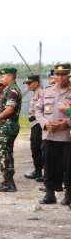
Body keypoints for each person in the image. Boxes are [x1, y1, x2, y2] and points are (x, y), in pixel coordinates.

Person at [37, 63, 71, 205]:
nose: (60, 77)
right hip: (49, 135)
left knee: (68, 167)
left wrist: (66, 123)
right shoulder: (47, 91)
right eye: (58, 74)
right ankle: (50, 194)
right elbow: (38, 110)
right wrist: (45, 123)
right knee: (49, 165)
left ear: (68, 75)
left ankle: (68, 194)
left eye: (63, 74)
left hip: (66, 137)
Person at [0, 67, 22, 192]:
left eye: (4, 76)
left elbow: (10, 109)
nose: (2, 79)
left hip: (8, 125)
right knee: (5, 153)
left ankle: (9, 183)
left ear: (10, 76)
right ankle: (6, 181)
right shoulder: (8, 89)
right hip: (5, 126)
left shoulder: (12, 90)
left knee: (3, 153)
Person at [23, 75, 44, 181]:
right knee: (35, 148)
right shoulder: (35, 93)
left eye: (30, 83)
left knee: (37, 148)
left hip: (38, 124)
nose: (28, 85)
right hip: (33, 124)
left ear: (36, 83)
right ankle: (38, 171)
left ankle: (40, 172)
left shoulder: (41, 93)